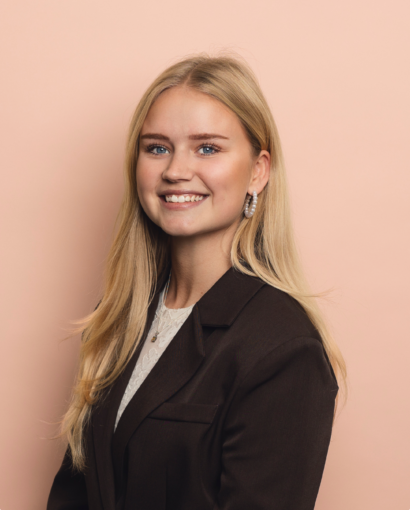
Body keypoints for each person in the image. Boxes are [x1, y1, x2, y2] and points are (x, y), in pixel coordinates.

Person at [47, 53, 346, 510]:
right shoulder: (119, 317)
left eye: (207, 148)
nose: (175, 170)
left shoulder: (284, 349)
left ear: (258, 171)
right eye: (157, 148)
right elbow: (74, 493)